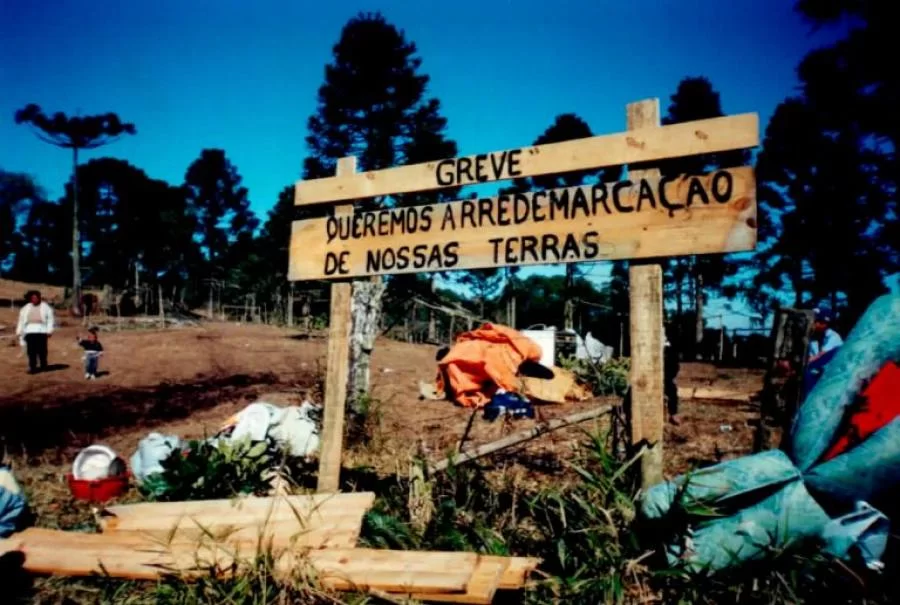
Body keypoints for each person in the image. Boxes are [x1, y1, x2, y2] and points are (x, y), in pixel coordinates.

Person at [15, 290, 54, 375]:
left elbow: (50, 319)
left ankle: (43, 365)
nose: (34, 299)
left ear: (39, 298)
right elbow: (21, 320)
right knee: (31, 351)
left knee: (42, 350)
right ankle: (32, 367)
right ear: (30, 299)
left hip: (41, 330)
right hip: (29, 331)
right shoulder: (25, 308)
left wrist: (49, 330)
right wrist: (19, 331)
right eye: (32, 298)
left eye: (36, 298)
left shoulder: (45, 307)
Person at [664, 324, 681, 425]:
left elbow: (674, 366)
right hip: (653, 375)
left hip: (666, 377)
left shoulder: (673, 348)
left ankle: (673, 414)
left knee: (672, 390)